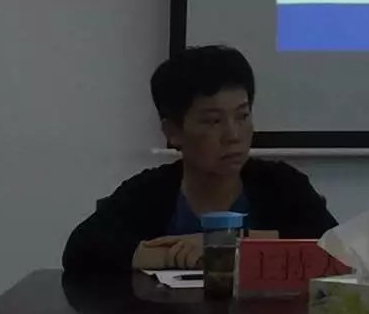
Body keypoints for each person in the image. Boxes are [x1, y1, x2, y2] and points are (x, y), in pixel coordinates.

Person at [62, 45, 335, 273]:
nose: (233, 135)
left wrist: (228, 244)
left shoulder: (281, 185)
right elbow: (81, 250)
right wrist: (166, 256)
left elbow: (337, 248)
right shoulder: (150, 191)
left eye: (242, 116)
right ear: (173, 132)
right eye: (213, 121)